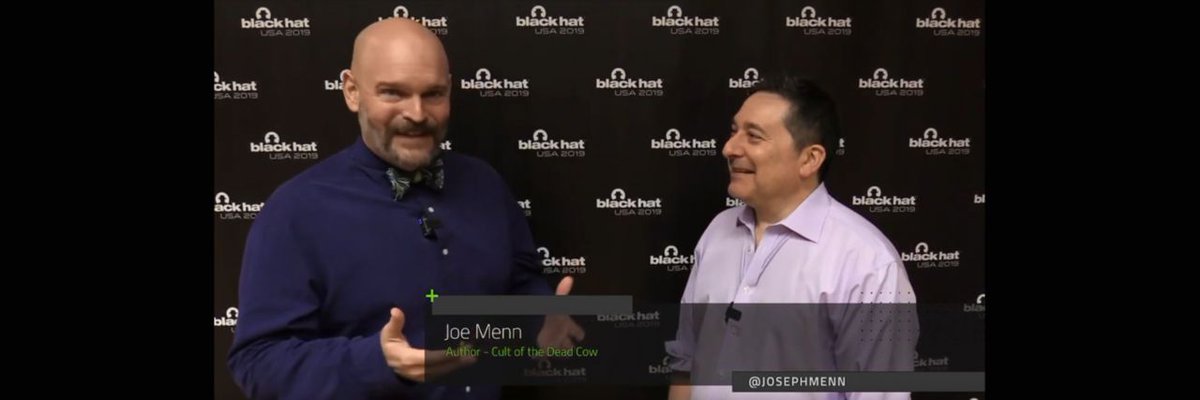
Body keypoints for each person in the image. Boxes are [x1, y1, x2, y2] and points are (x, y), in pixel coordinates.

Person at [227, 18, 581, 400]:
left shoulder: (485, 185)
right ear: (352, 91)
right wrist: (379, 363)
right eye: (393, 93)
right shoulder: (295, 210)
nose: (417, 113)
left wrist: (540, 318)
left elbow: (519, 284)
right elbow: (258, 363)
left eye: (433, 94)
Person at [665, 76, 917, 400]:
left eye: (753, 136)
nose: (729, 148)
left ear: (810, 159)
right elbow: (686, 360)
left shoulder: (867, 262)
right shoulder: (717, 231)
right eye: (733, 131)